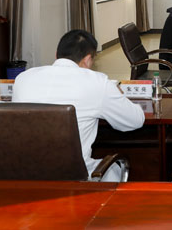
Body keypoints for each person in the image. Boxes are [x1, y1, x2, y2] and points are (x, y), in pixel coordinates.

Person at [12, 29, 145, 181]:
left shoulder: (23, 79)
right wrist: (118, 93)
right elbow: (135, 120)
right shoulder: (97, 83)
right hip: (75, 177)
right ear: (88, 59)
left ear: (57, 55)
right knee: (113, 171)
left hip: (28, 176)